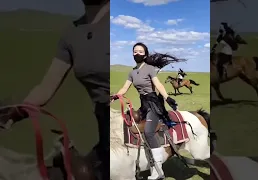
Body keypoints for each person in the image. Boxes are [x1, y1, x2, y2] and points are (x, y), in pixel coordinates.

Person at [0, 0, 110, 179]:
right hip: (104, 130)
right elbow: (45, 87)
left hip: (122, 117)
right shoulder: (72, 34)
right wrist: (12, 112)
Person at [111, 42, 185, 180]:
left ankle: (158, 170)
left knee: (149, 131)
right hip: (143, 105)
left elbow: (158, 84)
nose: (137, 53)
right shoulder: (132, 72)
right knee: (128, 121)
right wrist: (114, 96)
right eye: (135, 51)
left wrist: (167, 97)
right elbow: (124, 88)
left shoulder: (150, 69)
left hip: (154, 104)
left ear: (145, 54)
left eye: (140, 51)